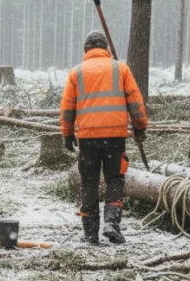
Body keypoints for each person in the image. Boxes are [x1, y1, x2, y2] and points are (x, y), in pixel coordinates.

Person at [59, 31, 148, 245]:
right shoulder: (121, 68)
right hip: (116, 137)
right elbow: (135, 102)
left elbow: (67, 108)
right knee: (115, 179)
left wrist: (67, 134)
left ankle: (90, 232)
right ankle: (112, 222)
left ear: (85, 50)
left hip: (88, 138)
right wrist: (140, 127)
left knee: (88, 182)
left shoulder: (76, 72)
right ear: (106, 48)